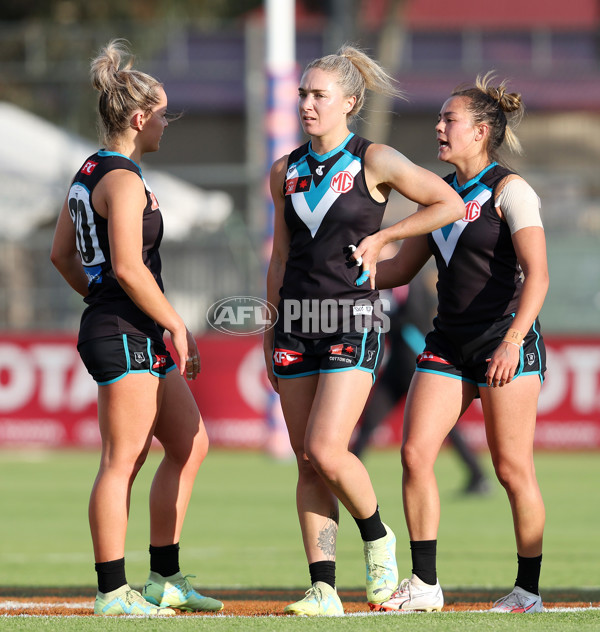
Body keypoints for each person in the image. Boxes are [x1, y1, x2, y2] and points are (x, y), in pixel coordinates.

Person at [263, 44, 465, 616]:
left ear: (349, 102)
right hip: (295, 324)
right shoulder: (285, 170)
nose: (306, 103)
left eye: (318, 95)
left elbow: (448, 202)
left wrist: (384, 238)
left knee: (328, 449)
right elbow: (280, 260)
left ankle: (378, 538)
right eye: (302, 93)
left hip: (354, 319)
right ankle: (323, 587)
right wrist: (268, 326)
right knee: (306, 459)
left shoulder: (374, 158)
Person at [50, 40, 223, 617]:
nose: (168, 124)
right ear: (139, 117)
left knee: (189, 442)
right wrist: (176, 323)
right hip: (125, 328)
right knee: (122, 459)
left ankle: (164, 579)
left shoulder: (90, 172)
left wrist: (105, 300)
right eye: (164, 114)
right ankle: (111, 591)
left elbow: (62, 256)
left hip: (126, 324)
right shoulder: (121, 179)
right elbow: (125, 265)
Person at [370, 73, 549, 614]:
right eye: (440, 118)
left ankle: (528, 591)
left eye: (449, 119)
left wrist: (514, 340)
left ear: (481, 132)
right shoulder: (441, 196)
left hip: (503, 341)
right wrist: (341, 270)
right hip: (448, 343)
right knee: (415, 453)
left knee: (512, 469)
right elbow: (400, 269)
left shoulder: (509, 190)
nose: (439, 127)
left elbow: (538, 276)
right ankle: (425, 584)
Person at [352, 269, 491, 496]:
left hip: (414, 361)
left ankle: (479, 476)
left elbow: (412, 317)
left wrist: (379, 319)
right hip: (400, 364)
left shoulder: (408, 280)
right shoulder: (396, 285)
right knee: (370, 420)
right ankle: (347, 475)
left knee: (443, 425)